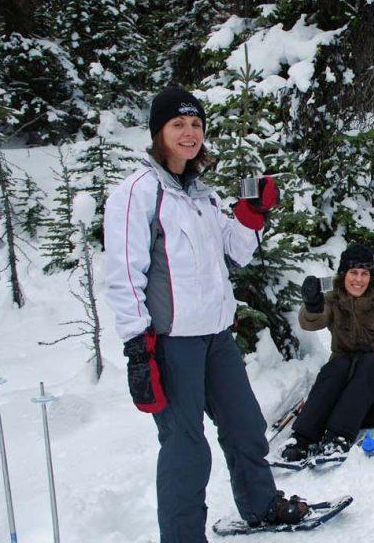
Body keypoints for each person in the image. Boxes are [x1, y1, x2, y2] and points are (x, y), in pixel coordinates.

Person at [104, 87, 313, 541]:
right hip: (170, 343)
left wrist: (252, 213)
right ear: (158, 132)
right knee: (186, 449)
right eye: (178, 124)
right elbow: (124, 275)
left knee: (245, 426)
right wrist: (138, 346)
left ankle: (260, 505)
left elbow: (236, 251)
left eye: (196, 124)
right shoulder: (137, 193)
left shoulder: (203, 196)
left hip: (216, 337)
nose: (189, 133)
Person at [279, 243, 374, 465]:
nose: (359, 280)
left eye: (364, 273)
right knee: (337, 365)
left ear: (371, 276)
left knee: (370, 363)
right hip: (346, 392)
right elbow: (311, 323)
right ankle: (303, 437)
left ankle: (338, 438)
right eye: (353, 272)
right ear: (344, 274)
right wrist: (313, 305)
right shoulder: (334, 299)